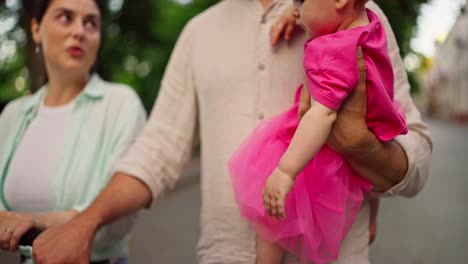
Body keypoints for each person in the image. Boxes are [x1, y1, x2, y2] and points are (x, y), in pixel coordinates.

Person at [31, 0, 432, 263]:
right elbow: (157, 151)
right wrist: (85, 224)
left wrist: (363, 150)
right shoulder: (199, 33)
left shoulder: (352, 19)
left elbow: (415, 150)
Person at [227, 0, 407, 263]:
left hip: (319, 151)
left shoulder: (332, 49)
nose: (295, 9)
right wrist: (301, 13)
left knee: (272, 227)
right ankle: (372, 213)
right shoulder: (368, 25)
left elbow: (322, 114)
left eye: (300, 1)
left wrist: (285, 171)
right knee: (358, 190)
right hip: (373, 137)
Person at [0, 0, 146, 263]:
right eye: (65, 18)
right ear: (36, 30)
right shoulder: (13, 115)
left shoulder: (121, 104)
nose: (79, 31)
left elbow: (117, 219)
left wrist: (34, 222)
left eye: (91, 23)